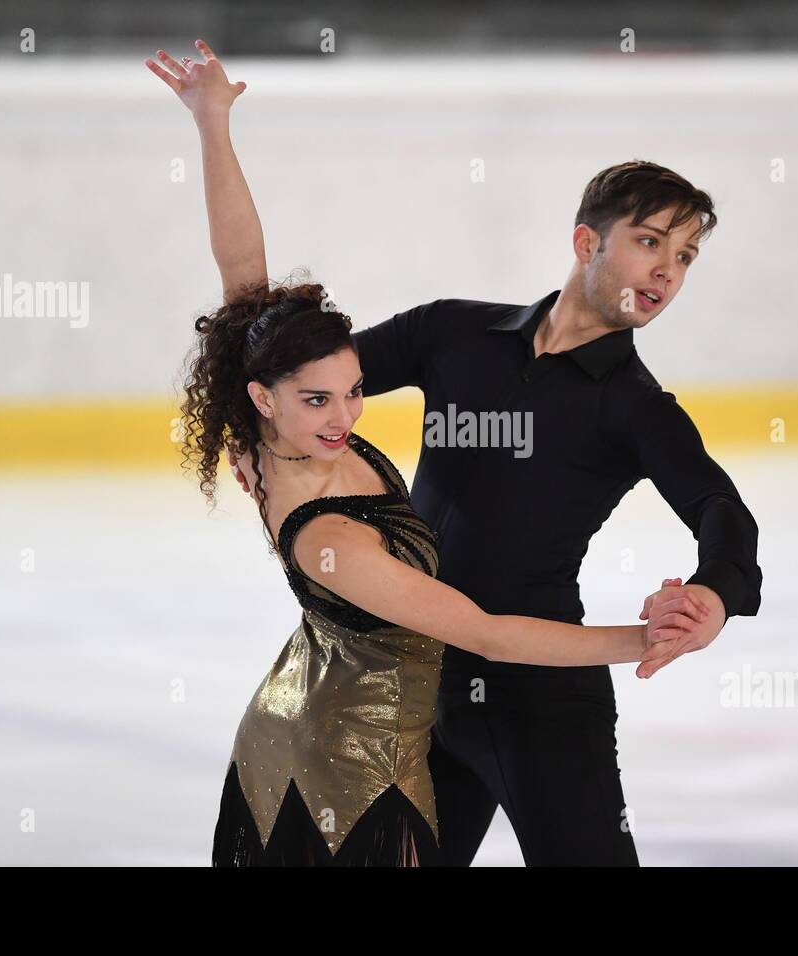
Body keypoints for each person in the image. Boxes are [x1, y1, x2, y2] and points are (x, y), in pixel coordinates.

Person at [150, 43, 691, 867]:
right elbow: (490, 635)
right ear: (264, 399)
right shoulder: (330, 538)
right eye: (319, 401)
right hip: (340, 762)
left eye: (355, 392)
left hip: (391, 731)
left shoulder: (278, 416)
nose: (343, 419)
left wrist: (212, 123)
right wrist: (642, 640)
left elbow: (243, 278)